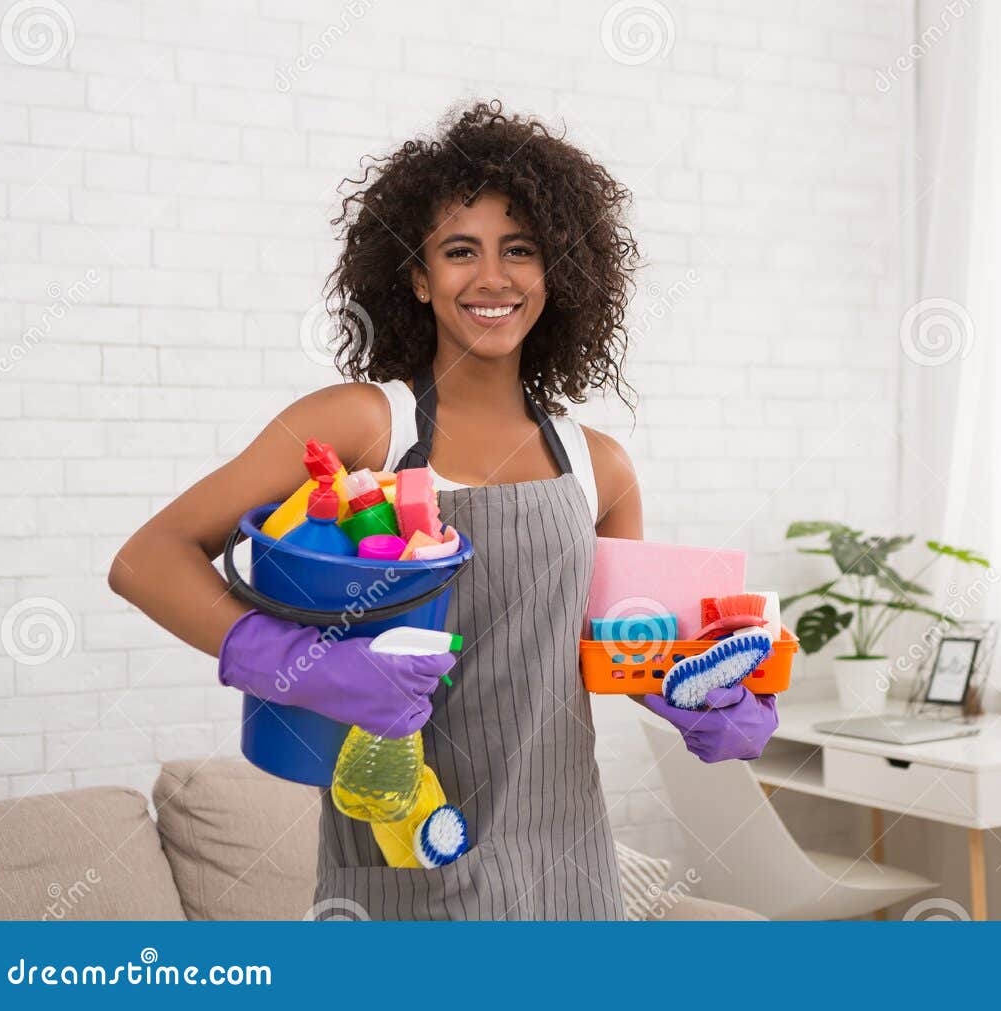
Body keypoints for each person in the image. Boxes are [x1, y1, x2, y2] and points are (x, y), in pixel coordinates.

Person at [109, 100, 777, 920]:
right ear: (419, 277)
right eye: (461, 251)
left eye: (520, 251)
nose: (492, 278)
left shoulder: (599, 466)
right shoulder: (363, 426)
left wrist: (702, 699)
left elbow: (616, 652)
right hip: (398, 877)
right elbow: (147, 558)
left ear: (555, 272)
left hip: (569, 872)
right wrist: (298, 663)